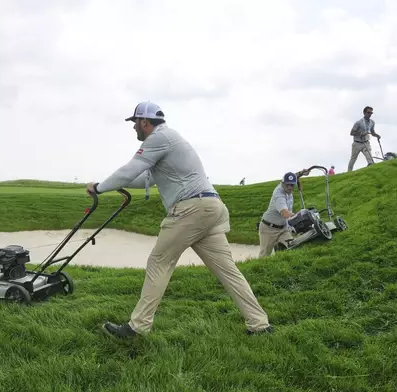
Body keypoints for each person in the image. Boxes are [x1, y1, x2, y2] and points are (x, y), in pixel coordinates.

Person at [86, 101, 273, 338]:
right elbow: (144, 178)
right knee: (227, 270)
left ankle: (137, 327)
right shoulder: (170, 139)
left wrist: (99, 188)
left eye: (135, 123)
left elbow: (129, 170)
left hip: (190, 209)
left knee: (159, 261)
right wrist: (107, 185)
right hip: (211, 208)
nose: (134, 128)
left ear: (144, 122)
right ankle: (259, 324)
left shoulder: (158, 138)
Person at [257, 169, 309, 257]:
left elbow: (293, 177)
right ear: (282, 183)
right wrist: (300, 216)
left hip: (283, 228)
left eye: (292, 185)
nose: (289, 187)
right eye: (287, 184)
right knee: (265, 256)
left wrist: (301, 173)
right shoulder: (279, 194)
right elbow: (285, 213)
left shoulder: (288, 187)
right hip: (268, 229)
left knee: (293, 246)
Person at [347, 106, 381, 172]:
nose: (370, 114)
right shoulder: (358, 122)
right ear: (364, 113)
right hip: (357, 143)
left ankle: (372, 169)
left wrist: (377, 135)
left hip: (366, 142)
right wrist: (361, 133)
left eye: (371, 113)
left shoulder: (372, 122)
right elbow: (352, 133)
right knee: (353, 159)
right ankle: (349, 172)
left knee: (369, 157)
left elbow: (372, 132)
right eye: (368, 112)